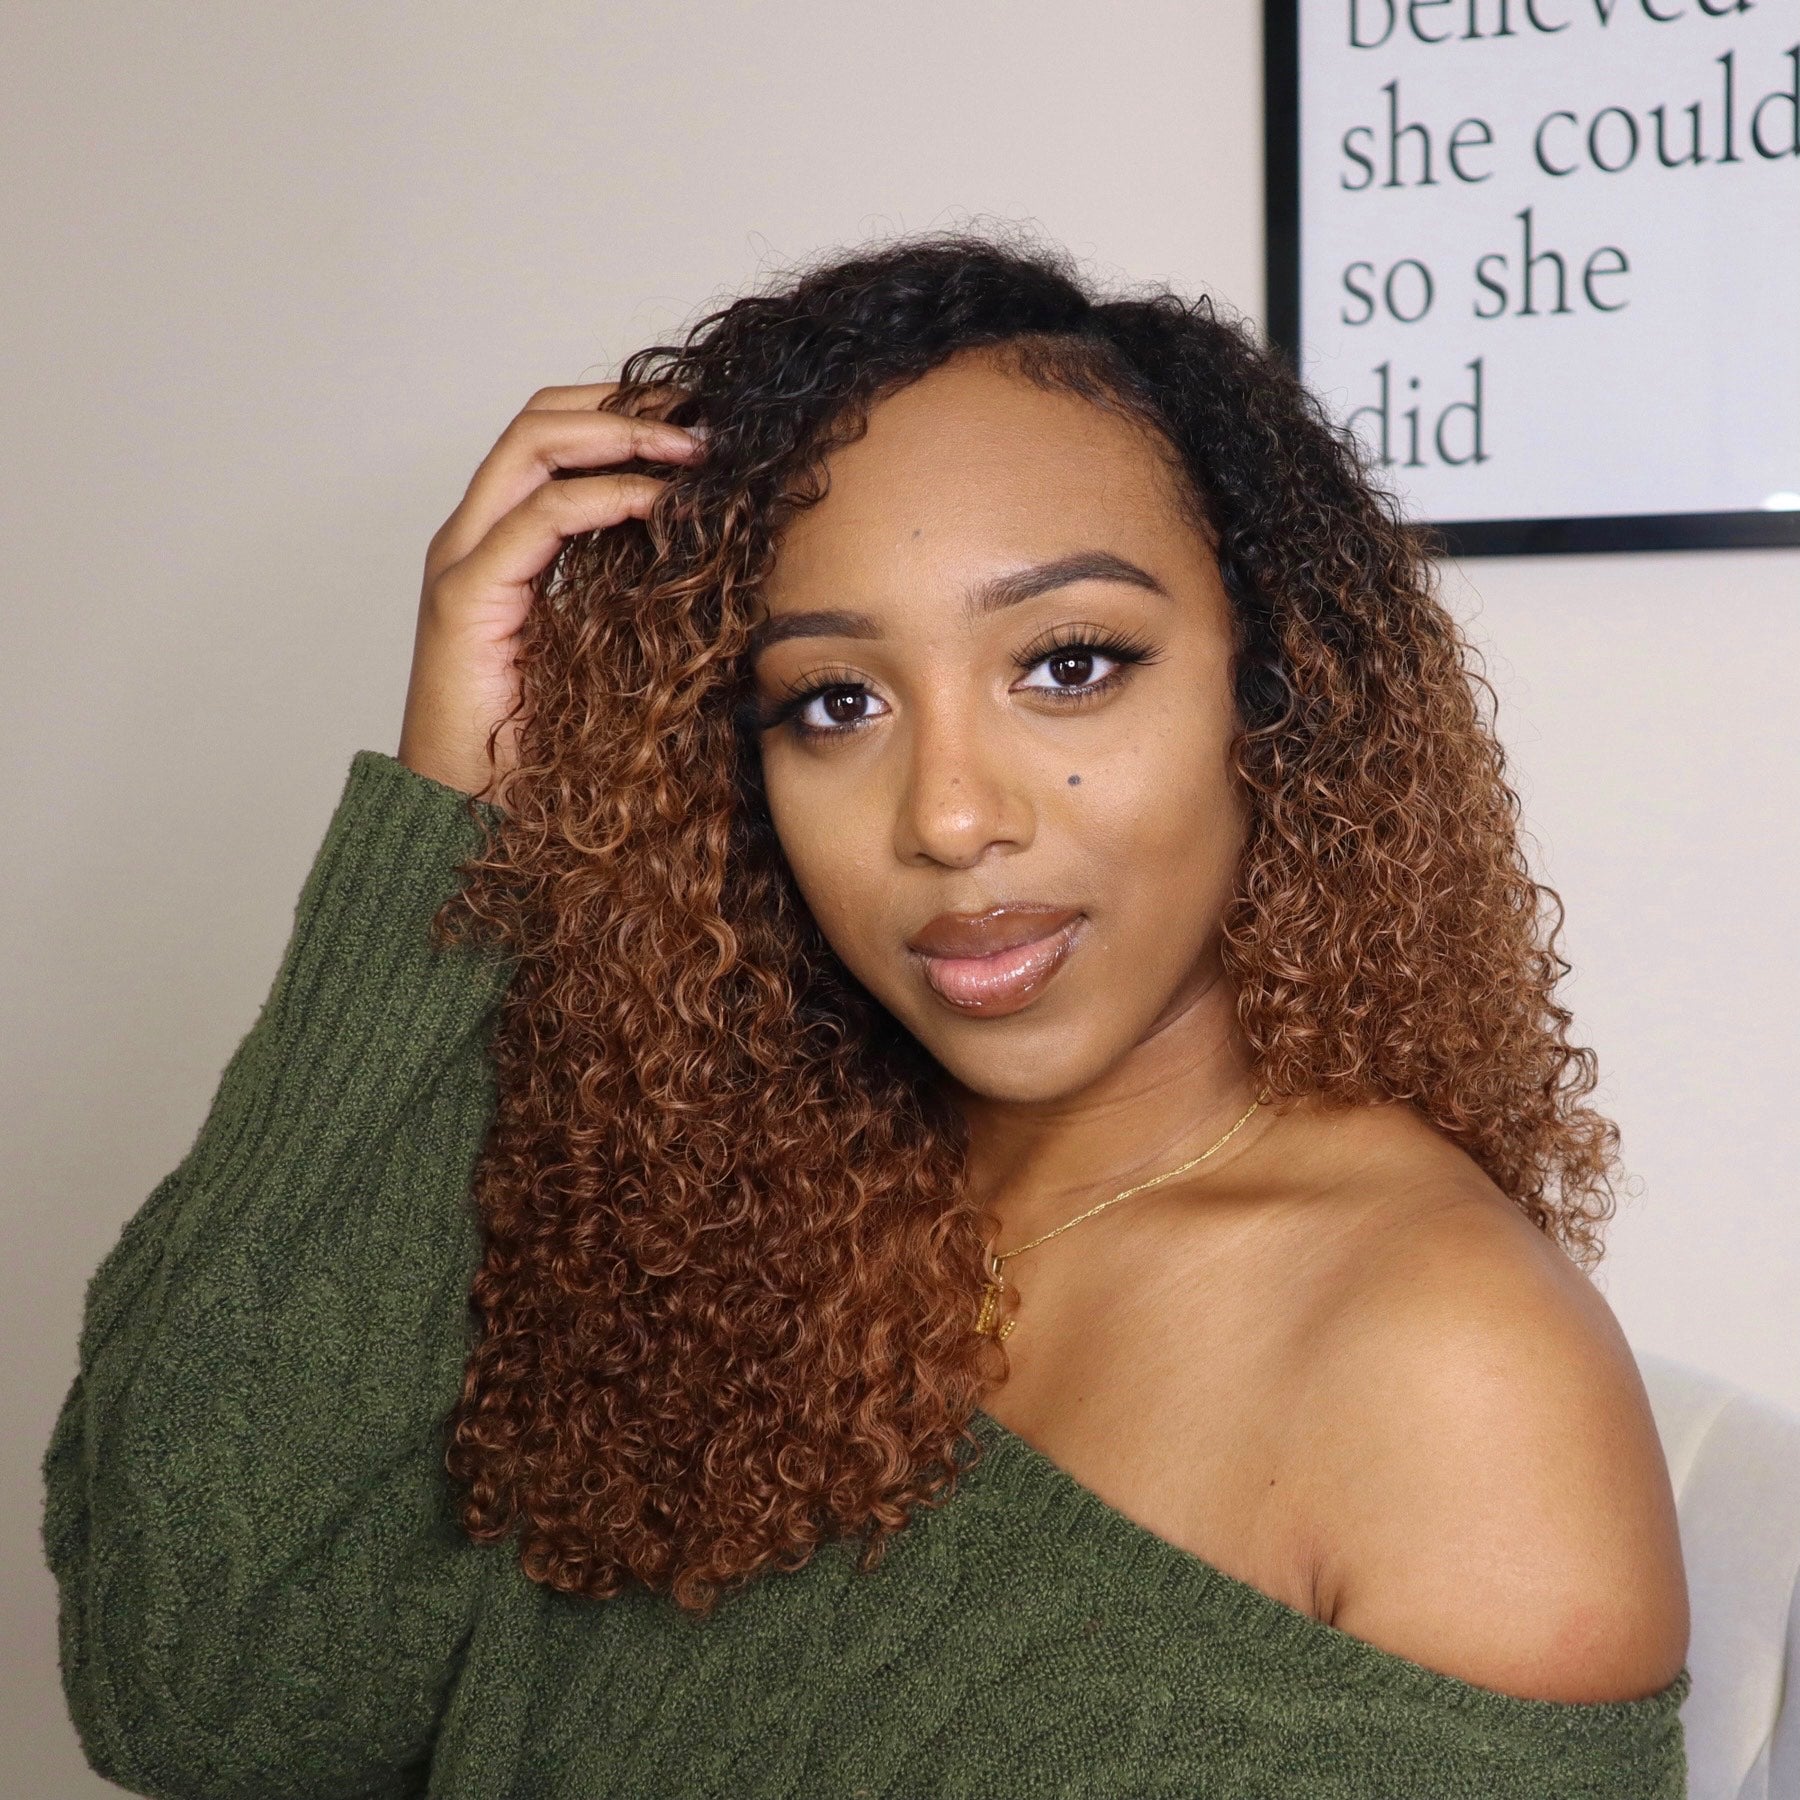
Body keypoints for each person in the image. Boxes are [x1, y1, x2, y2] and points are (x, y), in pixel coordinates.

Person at [41, 229, 1692, 1797]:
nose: (950, 817)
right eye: (835, 701)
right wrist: (456, 820)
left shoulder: (1456, 1375)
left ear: (1281, 693)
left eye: (1070, 664)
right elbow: (206, 1700)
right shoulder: (715, 1203)